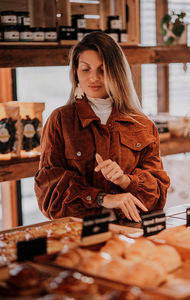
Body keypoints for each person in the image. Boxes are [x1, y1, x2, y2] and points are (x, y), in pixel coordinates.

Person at [34, 31, 170, 223]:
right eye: (85, 69)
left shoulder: (143, 125)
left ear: (117, 72)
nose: (93, 78)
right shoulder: (60, 121)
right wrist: (102, 198)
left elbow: (158, 196)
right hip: (79, 236)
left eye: (102, 70)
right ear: (75, 73)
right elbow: (48, 192)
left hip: (130, 233)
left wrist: (125, 180)